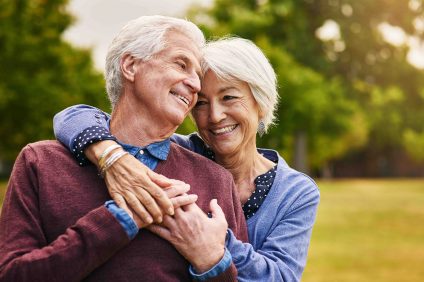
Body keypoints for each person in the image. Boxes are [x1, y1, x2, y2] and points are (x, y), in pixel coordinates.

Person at [0, 16, 248, 282]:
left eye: (197, 75)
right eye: (181, 64)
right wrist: (116, 221)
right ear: (130, 66)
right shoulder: (41, 162)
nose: (196, 85)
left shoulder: (215, 179)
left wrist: (212, 262)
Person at [53, 37, 320, 281]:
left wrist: (211, 240)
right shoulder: (178, 152)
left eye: (229, 97)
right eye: (201, 103)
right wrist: (111, 157)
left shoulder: (296, 192)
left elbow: (281, 276)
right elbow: (72, 116)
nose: (215, 116)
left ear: (260, 103)